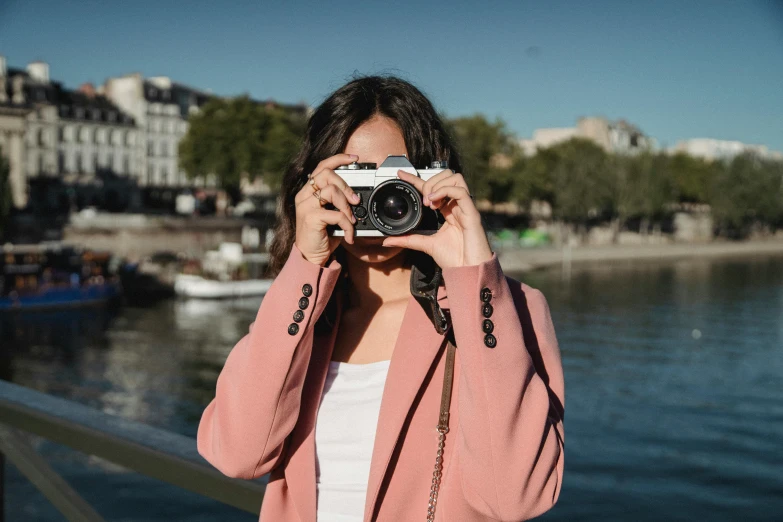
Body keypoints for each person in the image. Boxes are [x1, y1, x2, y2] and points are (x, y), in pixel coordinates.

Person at [197, 76, 565, 522]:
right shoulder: (301, 312)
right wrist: (305, 264)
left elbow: (514, 498)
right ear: (312, 185)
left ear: (433, 179)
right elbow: (237, 455)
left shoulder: (509, 311)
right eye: (352, 179)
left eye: (392, 180)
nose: (373, 201)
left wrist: (471, 279)